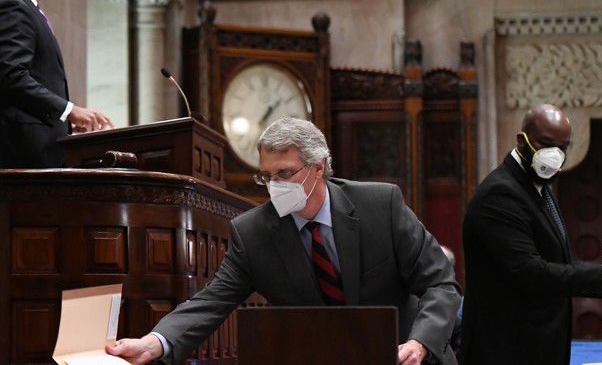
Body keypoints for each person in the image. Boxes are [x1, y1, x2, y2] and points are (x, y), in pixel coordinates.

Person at [107, 118, 462, 365]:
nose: (275, 185)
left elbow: (439, 283)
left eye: (285, 173)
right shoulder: (254, 232)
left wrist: (419, 343)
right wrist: (155, 342)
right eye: (267, 175)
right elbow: (212, 301)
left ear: (319, 167)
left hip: (402, 357)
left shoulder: (380, 206)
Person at [459, 104, 602, 365]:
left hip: (536, 347)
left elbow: (558, 263)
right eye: (545, 144)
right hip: (506, 350)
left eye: (563, 147)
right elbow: (530, 271)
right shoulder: (500, 194)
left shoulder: (538, 188)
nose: (554, 155)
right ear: (521, 141)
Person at [0, 0, 112, 182]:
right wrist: (69, 110)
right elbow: (12, 77)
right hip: (13, 149)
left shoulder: (20, 4)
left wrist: (65, 121)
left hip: (25, 148)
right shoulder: (10, 5)